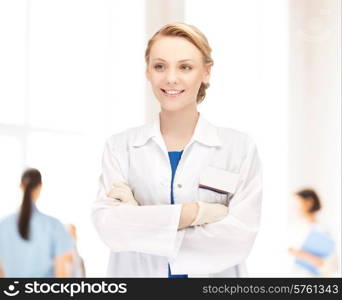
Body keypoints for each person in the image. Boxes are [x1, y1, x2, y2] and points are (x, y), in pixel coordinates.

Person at [92, 22, 262, 277]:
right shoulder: (120, 147)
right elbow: (110, 229)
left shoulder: (238, 148)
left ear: (206, 72)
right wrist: (195, 214)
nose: (171, 78)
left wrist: (140, 219)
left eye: (185, 67)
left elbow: (237, 239)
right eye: (160, 66)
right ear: (148, 72)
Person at [0, 168, 74, 277]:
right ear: (40, 187)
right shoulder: (54, 226)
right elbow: (61, 274)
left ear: (21, 187)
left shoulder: (3, 226)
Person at [288, 188, 337, 277]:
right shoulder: (293, 228)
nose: (293, 208)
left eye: (296, 203)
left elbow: (332, 265)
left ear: (309, 202)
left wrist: (304, 255)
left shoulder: (324, 231)